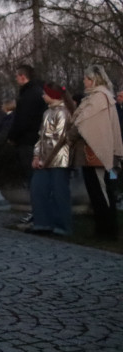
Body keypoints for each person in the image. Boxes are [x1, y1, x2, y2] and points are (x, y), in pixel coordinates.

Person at [70, 64, 123, 239]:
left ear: (93, 79)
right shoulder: (100, 97)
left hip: (96, 151)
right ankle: (105, 227)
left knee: (100, 190)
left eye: (86, 78)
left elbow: (83, 123)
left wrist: (72, 131)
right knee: (99, 190)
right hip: (94, 151)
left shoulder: (99, 98)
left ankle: (106, 229)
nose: (84, 81)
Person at [28, 85, 75, 235]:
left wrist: (45, 160)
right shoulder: (47, 112)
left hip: (59, 158)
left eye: (45, 93)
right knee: (38, 188)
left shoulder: (63, 112)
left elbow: (59, 139)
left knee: (59, 191)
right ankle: (42, 223)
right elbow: (41, 136)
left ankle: (61, 225)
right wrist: (36, 155)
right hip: (44, 158)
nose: (42, 96)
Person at [8, 64, 47, 187]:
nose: (16, 79)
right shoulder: (38, 91)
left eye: (17, 76)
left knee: (31, 175)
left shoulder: (28, 95)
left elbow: (22, 119)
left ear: (23, 76)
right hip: (36, 138)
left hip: (27, 140)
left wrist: (12, 136)